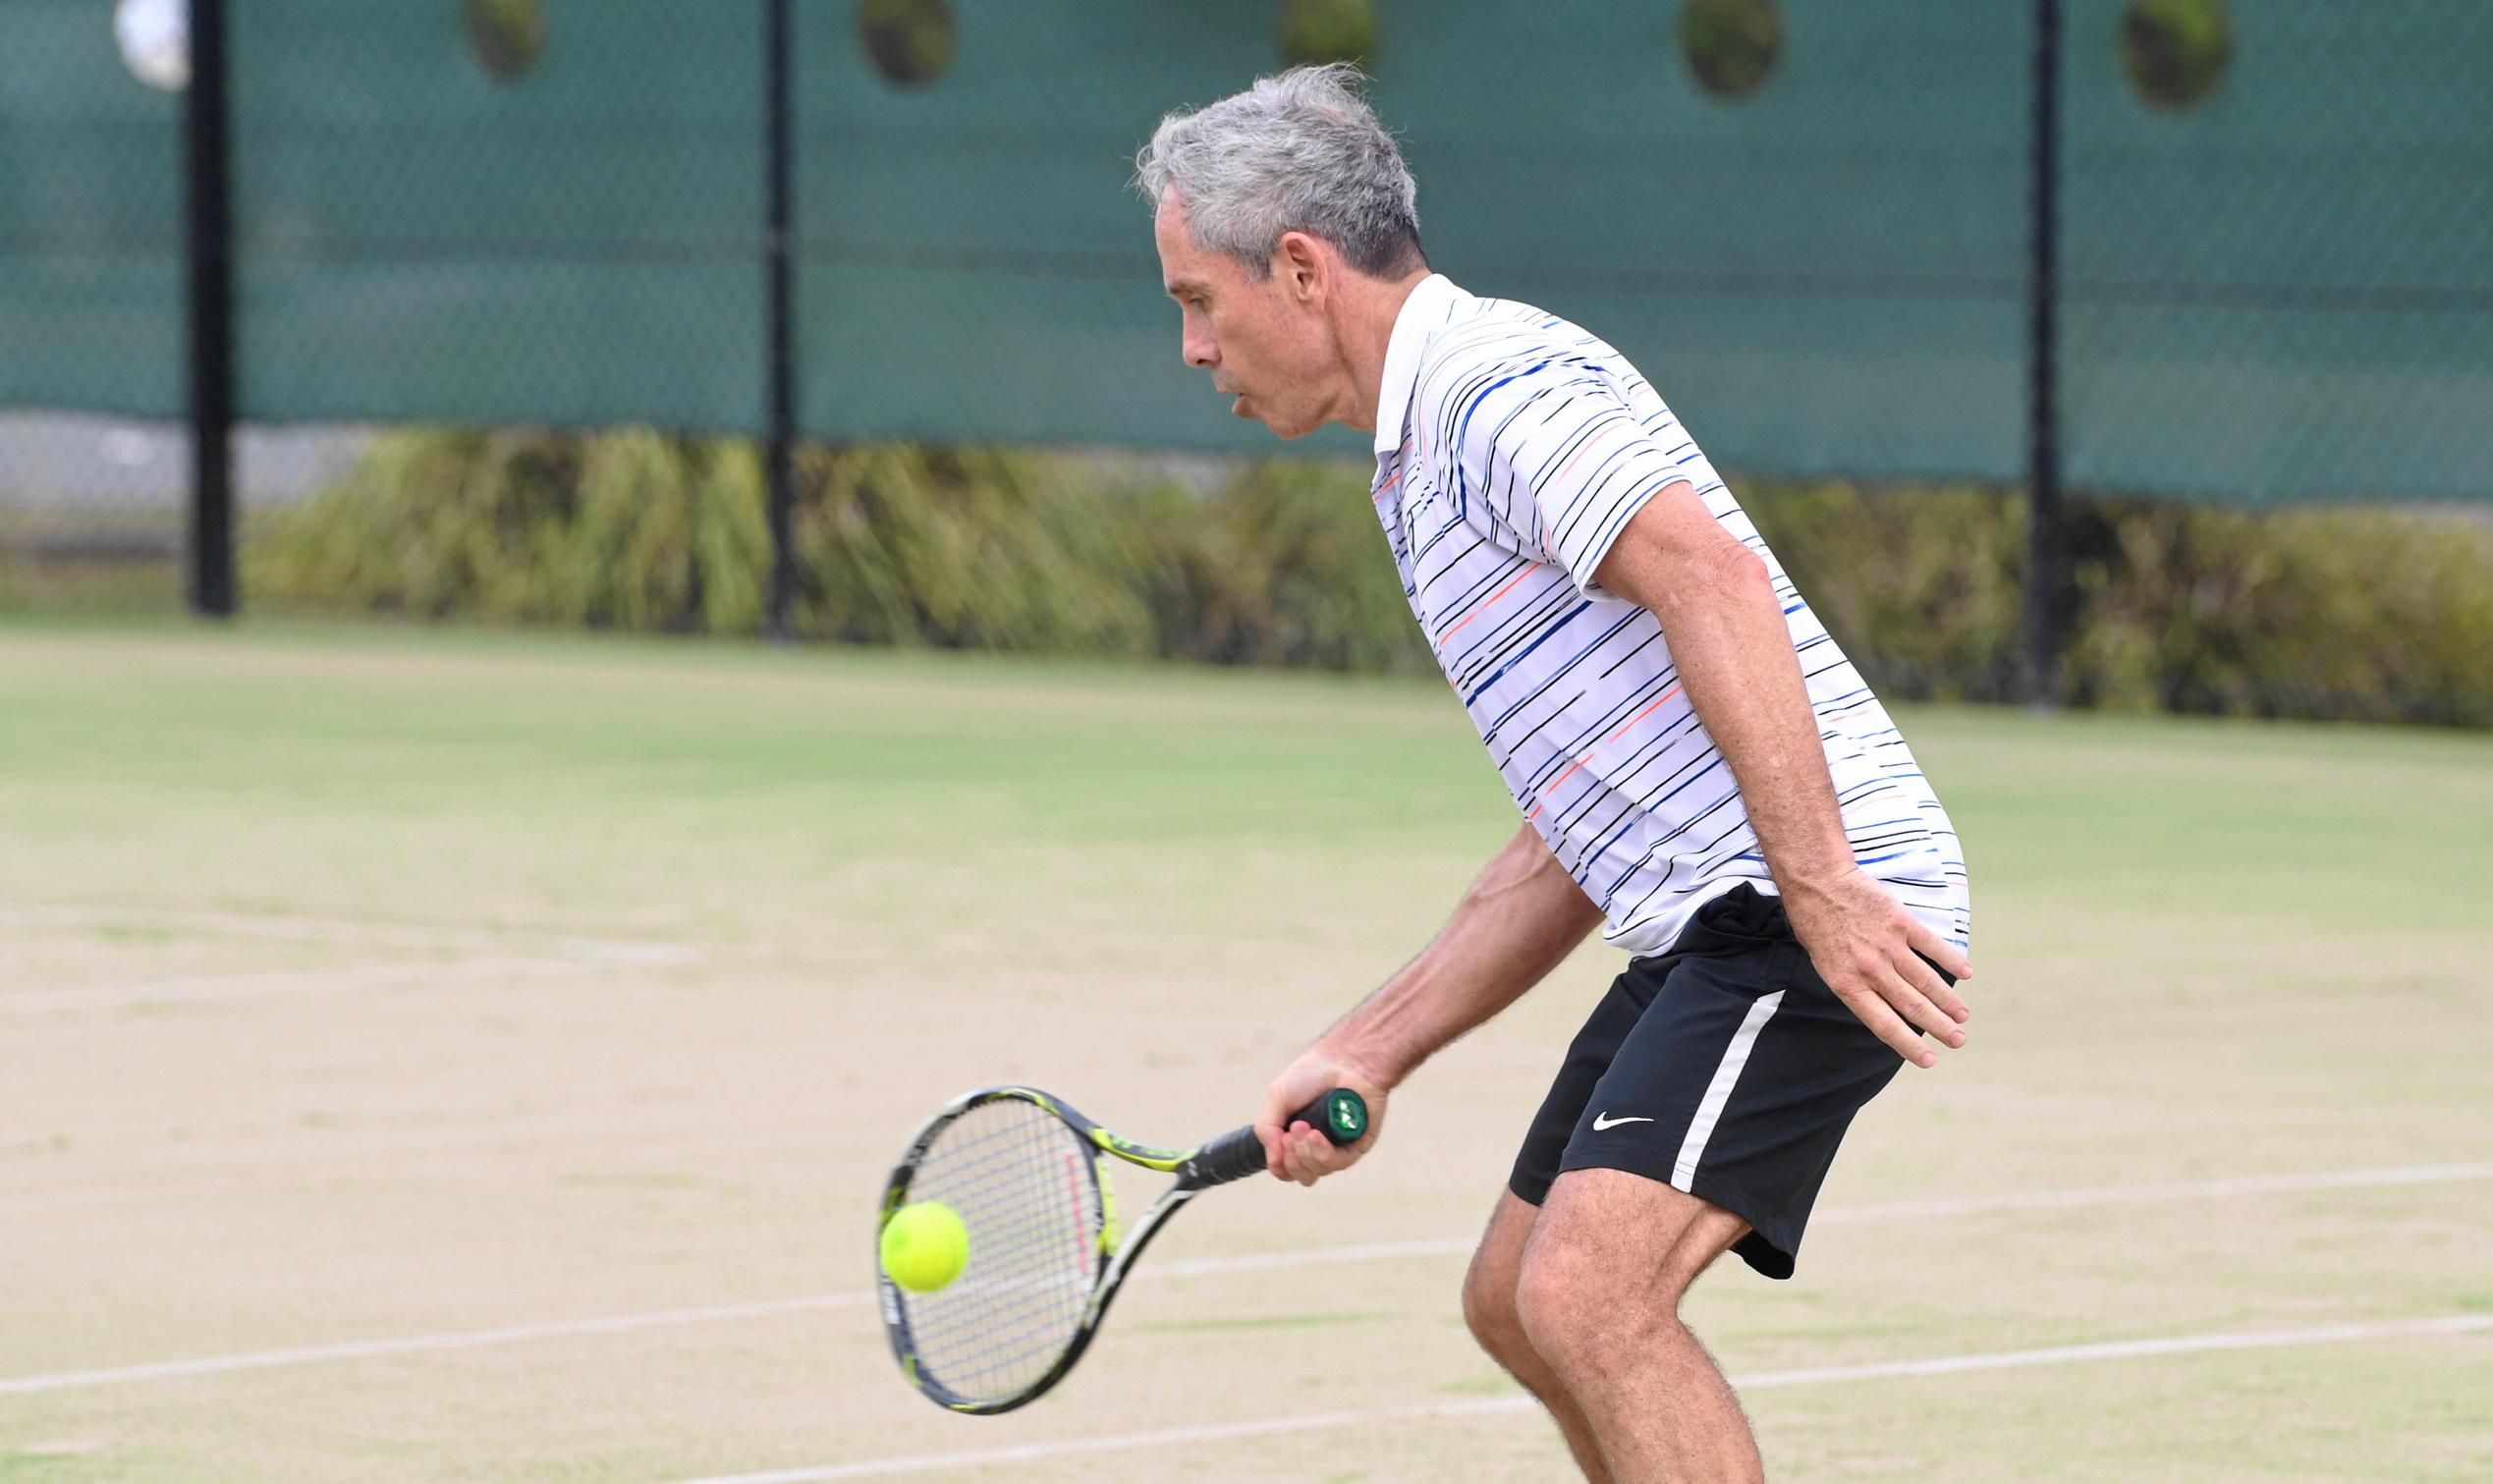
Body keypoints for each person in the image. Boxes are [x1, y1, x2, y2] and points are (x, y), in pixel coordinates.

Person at [1134, 64, 1973, 1482]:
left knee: (1589, 1297)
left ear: (1298, 270)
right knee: (1516, 1300)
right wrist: (1368, 1047)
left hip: (1798, 909)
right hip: (1715, 915)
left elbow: (1710, 575)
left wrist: (1822, 891)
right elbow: (1568, 830)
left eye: (1196, 303)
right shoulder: (1422, 451)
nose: (1192, 350)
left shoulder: (1492, 387)